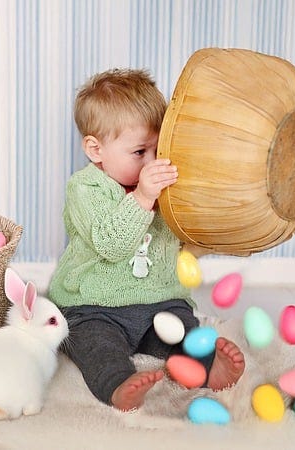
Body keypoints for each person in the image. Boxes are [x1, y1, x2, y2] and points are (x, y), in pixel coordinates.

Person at [48, 68, 245, 411]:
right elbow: (111, 245)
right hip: (95, 305)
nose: (153, 162)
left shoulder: (163, 186)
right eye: (140, 152)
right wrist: (142, 196)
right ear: (96, 149)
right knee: (95, 344)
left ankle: (207, 367)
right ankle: (118, 384)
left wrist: (213, 233)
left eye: (159, 148)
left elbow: (178, 243)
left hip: (159, 300)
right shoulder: (85, 189)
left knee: (184, 331)